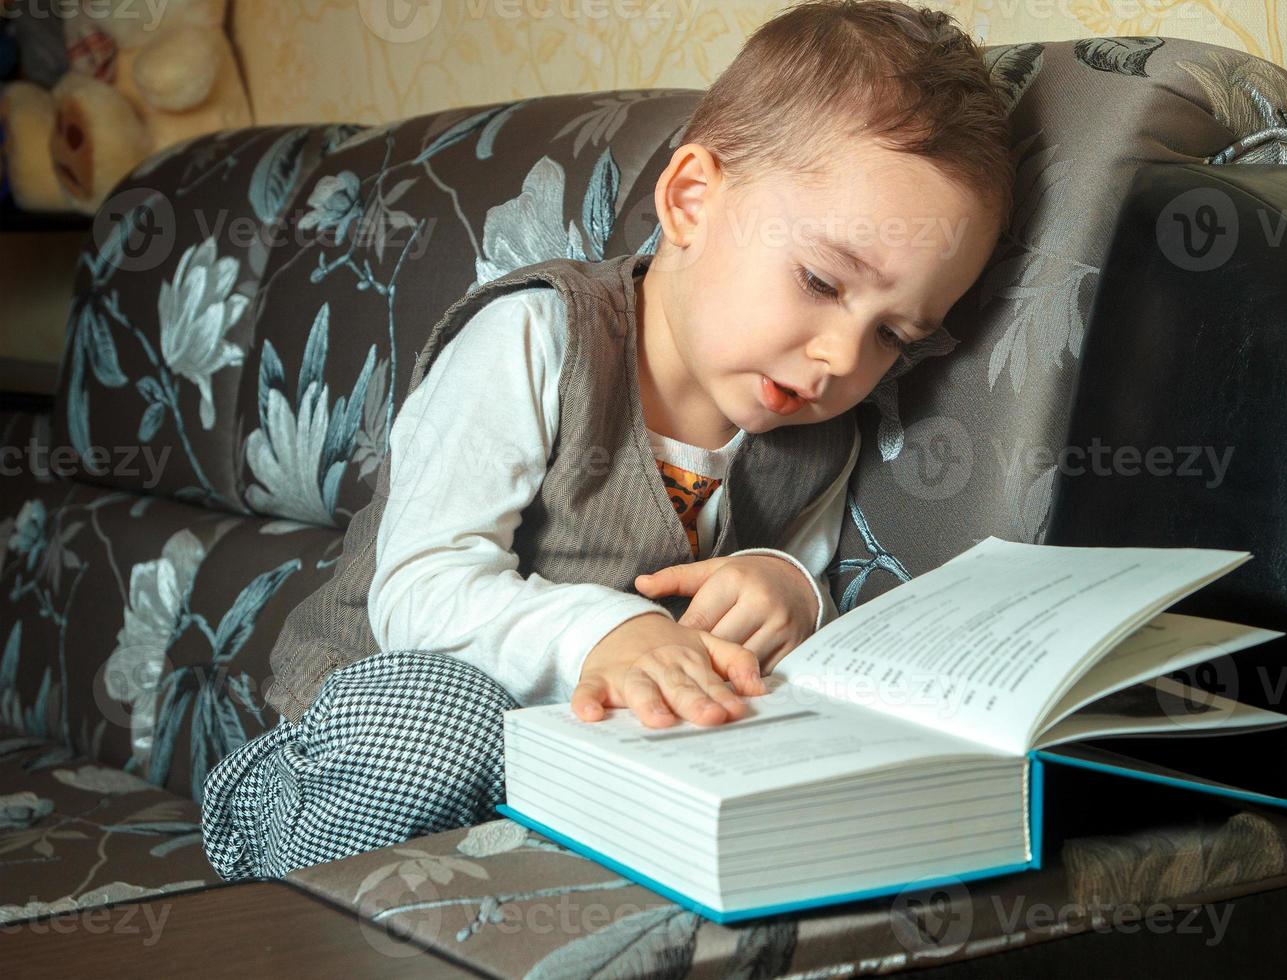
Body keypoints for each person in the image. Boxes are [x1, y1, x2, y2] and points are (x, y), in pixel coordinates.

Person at [200, 0, 1013, 881]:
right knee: (442, 729)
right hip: (381, 715)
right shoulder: (537, 340)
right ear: (692, 199)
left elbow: (803, 564)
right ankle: (264, 830)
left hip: (585, 753)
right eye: (820, 280)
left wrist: (786, 590)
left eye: (895, 335)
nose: (841, 358)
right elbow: (419, 591)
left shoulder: (816, 429)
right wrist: (609, 633)